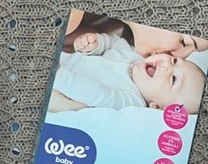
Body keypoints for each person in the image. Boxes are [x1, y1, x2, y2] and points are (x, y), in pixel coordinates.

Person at [49, 33, 206, 113]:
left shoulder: (132, 100)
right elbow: (114, 42)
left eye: (173, 79)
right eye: (175, 61)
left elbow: (99, 94)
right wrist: (97, 43)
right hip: (63, 55)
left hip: (58, 80)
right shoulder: (134, 56)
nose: (168, 66)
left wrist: (61, 76)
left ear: (157, 106)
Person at [64, 9, 208, 60]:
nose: (180, 57)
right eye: (184, 41)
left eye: (191, 53)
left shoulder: (101, 30)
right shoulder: (72, 20)